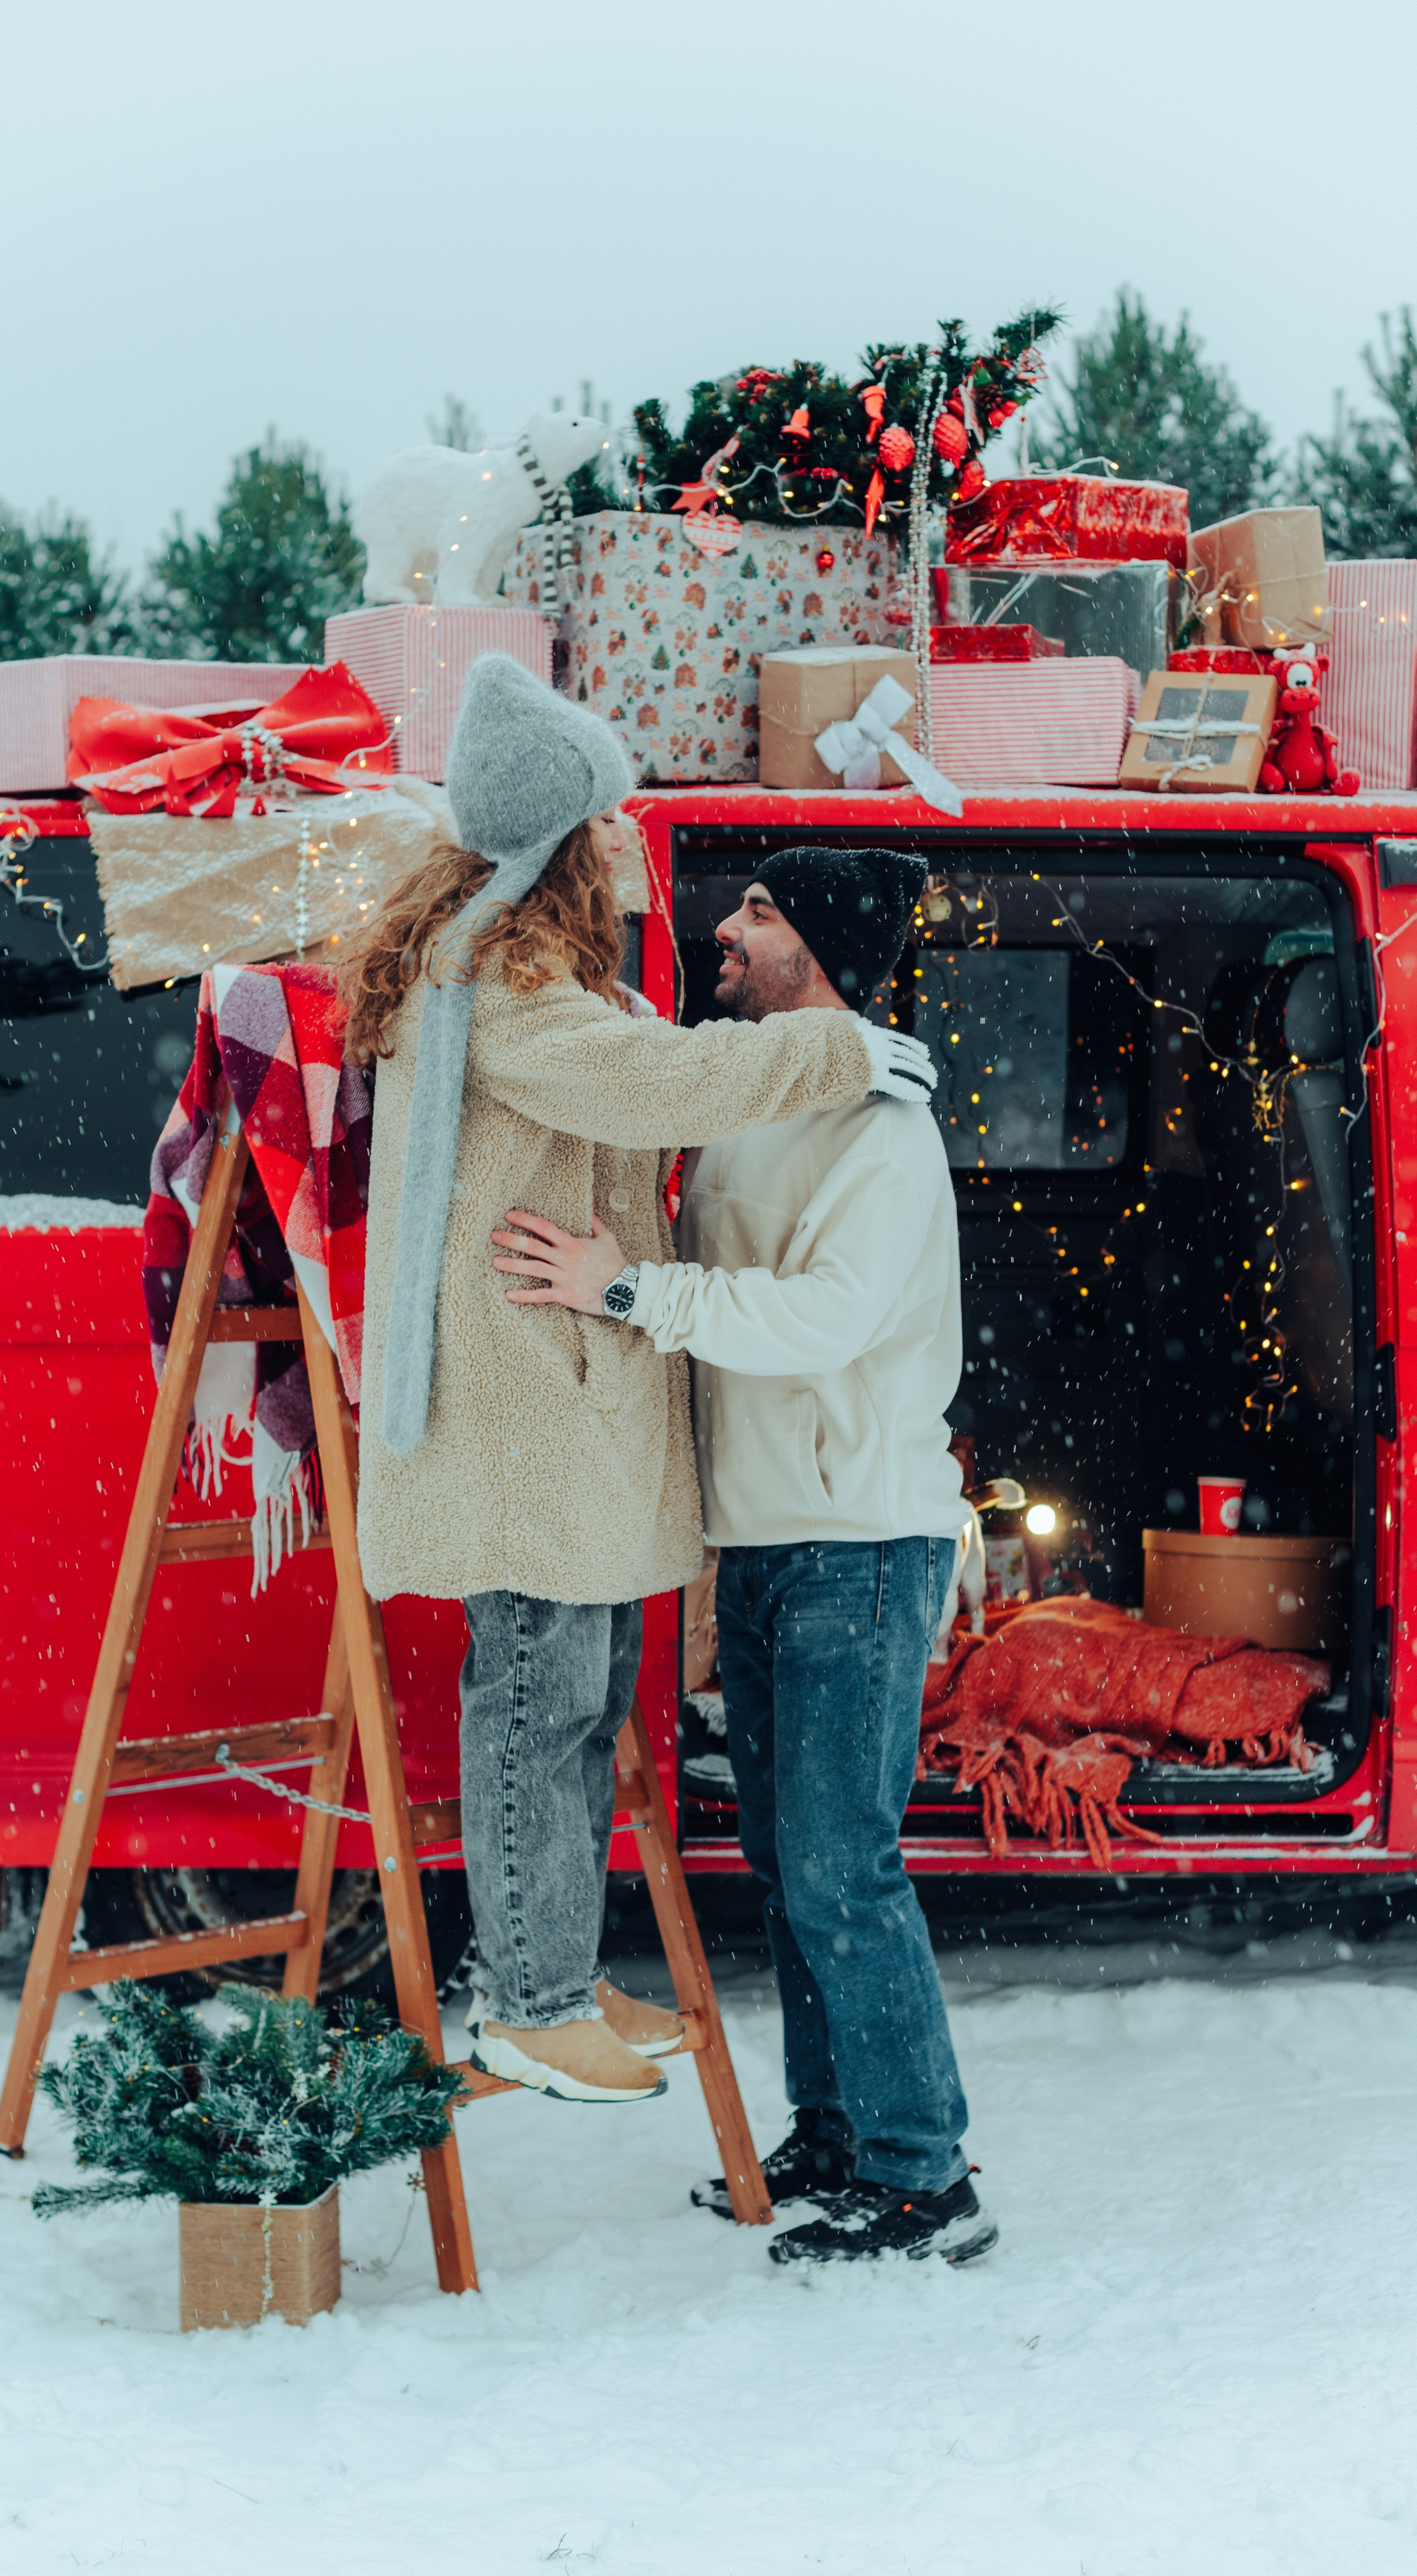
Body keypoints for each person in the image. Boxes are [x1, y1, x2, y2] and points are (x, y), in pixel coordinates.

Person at [342, 667, 938, 2109]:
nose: (624, 850)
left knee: (577, 1697)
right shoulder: (505, 991)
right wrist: (833, 1044)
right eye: (601, 826)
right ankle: (531, 1997)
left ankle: (554, 1968)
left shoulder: (536, 983)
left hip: (564, 1411)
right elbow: (660, 1087)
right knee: (539, 1700)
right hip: (527, 1412)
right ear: (554, 847)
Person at [492, 848, 996, 2263]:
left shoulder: (878, 1130)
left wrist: (628, 1288)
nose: (725, 926)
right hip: (766, 1541)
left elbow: (819, 1319)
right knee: (788, 1865)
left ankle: (923, 2175)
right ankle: (835, 2135)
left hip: (856, 1539)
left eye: (760, 913)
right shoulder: (748, 1098)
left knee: (842, 1864)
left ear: (813, 949)